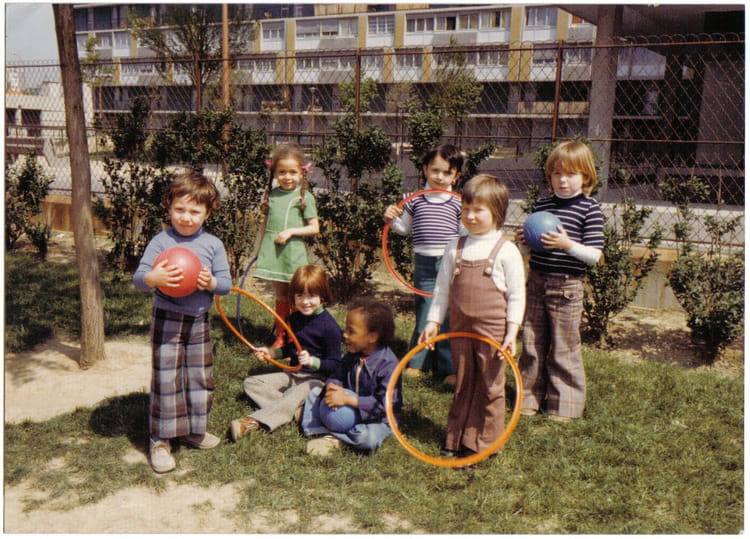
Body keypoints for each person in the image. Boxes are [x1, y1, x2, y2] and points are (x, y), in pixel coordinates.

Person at [420, 174, 525, 461]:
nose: (470, 216)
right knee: (464, 382)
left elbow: (517, 296)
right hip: (460, 328)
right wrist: (433, 321)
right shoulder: (454, 246)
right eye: (466, 209)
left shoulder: (507, 251)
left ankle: (485, 442)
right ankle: (456, 438)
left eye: (478, 210)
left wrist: (512, 332)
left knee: (490, 385)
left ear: (497, 213)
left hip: (493, 331)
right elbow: (442, 290)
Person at [133, 170, 232, 474]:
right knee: (167, 378)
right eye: (179, 209)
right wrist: (155, 278)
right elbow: (139, 279)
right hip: (168, 317)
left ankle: (191, 429)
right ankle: (161, 440)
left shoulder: (213, 245)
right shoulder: (161, 242)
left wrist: (211, 283)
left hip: (199, 320)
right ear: (169, 207)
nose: (186, 217)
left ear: (207, 213)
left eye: (194, 211)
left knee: (198, 376)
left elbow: (226, 284)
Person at [516, 140, 604, 422]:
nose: (563, 180)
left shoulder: (589, 209)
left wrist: (567, 245)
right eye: (557, 174)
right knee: (532, 341)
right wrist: (523, 244)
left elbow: (594, 255)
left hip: (567, 287)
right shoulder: (542, 206)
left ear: (586, 177)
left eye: (571, 174)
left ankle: (564, 406)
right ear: (549, 175)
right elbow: (530, 250)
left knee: (564, 346)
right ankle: (528, 398)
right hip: (536, 281)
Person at [230, 265, 342, 440]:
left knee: (294, 393)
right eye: (300, 296)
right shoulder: (294, 319)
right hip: (293, 374)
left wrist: (312, 362)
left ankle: (252, 422)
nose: (305, 302)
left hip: (316, 380)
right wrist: (271, 353)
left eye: (312, 296)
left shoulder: (330, 327)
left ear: (323, 295)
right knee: (251, 383)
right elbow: (291, 349)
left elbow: (335, 364)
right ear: (293, 296)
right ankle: (296, 412)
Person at [383, 143, 464, 385]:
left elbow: (464, 233)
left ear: (456, 176)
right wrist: (390, 220)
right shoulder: (414, 200)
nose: (440, 177)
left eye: (447, 172)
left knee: (447, 313)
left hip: (450, 262)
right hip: (424, 263)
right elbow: (403, 229)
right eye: (435, 170)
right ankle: (418, 361)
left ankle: (447, 366)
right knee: (425, 312)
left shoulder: (459, 203)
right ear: (425, 169)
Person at [300, 297, 402, 456]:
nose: (345, 335)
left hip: (377, 419)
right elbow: (337, 374)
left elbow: (386, 404)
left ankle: (335, 439)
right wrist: (333, 385)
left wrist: (349, 400)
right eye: (345, 329)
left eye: (351, 331)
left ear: (372, 337)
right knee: (315, 393)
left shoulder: (388, 364)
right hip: (346, 408)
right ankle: (318, 430)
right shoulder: (353, 354)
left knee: (368, 438)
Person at [255, 144, 319, 348]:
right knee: (281, 295)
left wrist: (291, 232)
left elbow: (314, 228)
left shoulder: (304, 197)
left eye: (293, 172)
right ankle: (281, 337)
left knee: (298, 296)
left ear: (302, 173)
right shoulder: (272, 195)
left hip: (293, 254)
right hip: (274, 252)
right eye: (282, 172)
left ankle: (298, 337)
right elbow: (265, 224)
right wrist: (261, 248)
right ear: (274, 173)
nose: (287, 177)